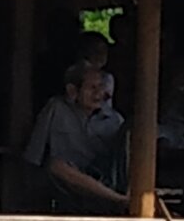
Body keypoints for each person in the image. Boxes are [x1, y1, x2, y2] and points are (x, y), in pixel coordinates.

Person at [24, 60, 128, 211]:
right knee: (56, 166)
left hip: (104, 181)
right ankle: (119, 200)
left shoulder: (115, 120)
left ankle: (117, 199)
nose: (99, 93)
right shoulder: (56, 109)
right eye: (92, 88)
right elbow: (34, 153)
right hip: (66, 184)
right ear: (72, 91)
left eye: (101, 86)